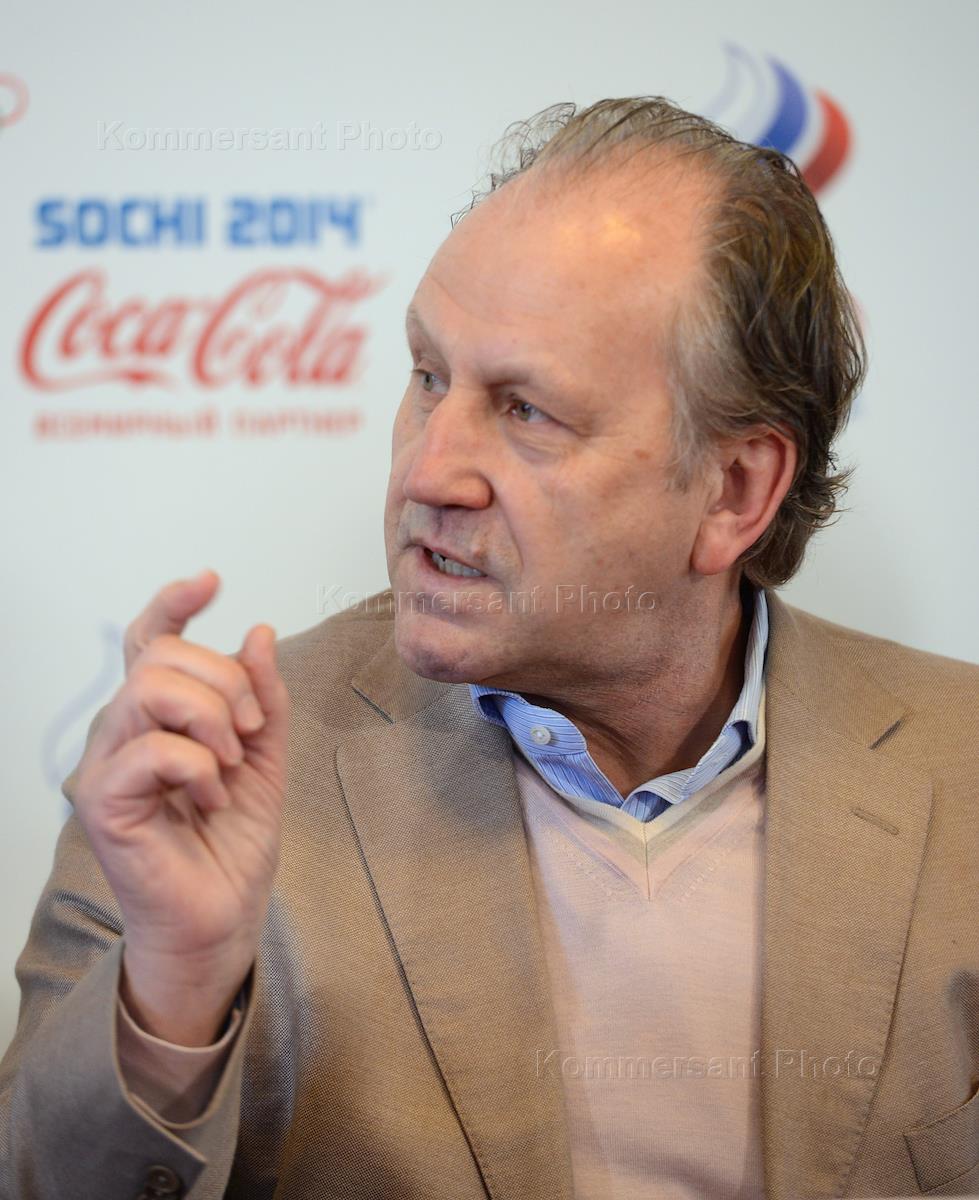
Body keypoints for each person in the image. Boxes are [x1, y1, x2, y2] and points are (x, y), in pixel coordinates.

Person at [1, 98, 976, 1200]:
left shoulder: (962, 768)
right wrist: (172, 990)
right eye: (427, 376)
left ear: (733, 491)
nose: (427, 471)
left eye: (526, 411)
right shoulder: (202, 782)